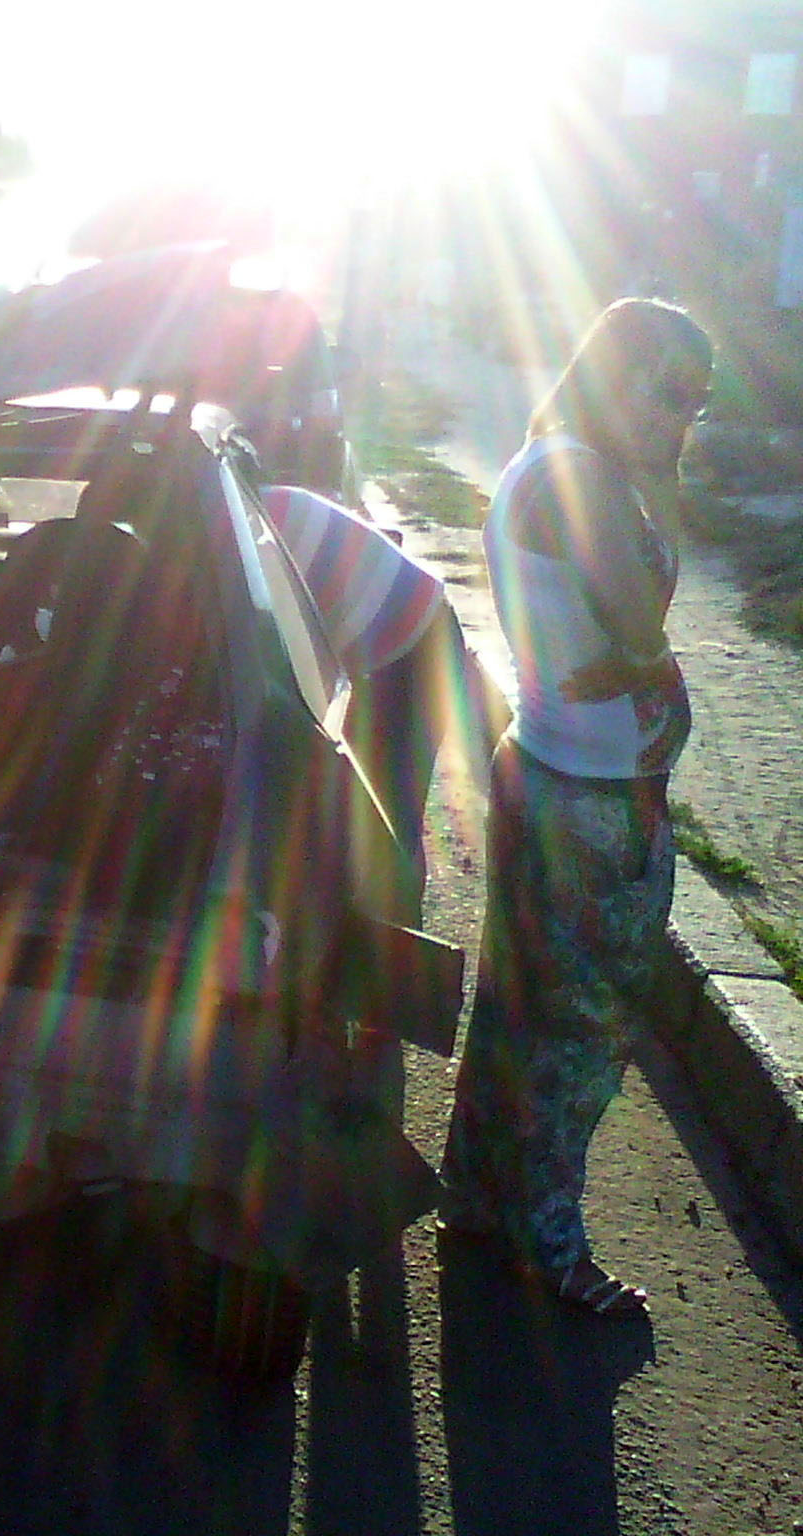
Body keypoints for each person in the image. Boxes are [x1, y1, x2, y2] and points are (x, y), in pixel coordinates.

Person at [439, 297, 713, 1316]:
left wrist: (657, 480)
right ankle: (547, 1247)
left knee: (516, 1012)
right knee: (583, 1039)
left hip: (558, 774)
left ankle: (478, 1202)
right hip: (589, 806)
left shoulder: (565, 463)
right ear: (609, 375)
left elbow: (638, 626)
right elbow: (641, 631)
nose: (679, 420)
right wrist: (650, 667)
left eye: (697, 404)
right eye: (666, 393)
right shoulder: (582, 480)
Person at [259, 482, 506, 918]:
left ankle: (398, 934)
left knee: (385, 821)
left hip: (405, 646)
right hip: (398, 628)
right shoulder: (234, 500)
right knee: (370, 815)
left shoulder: (238, 535)